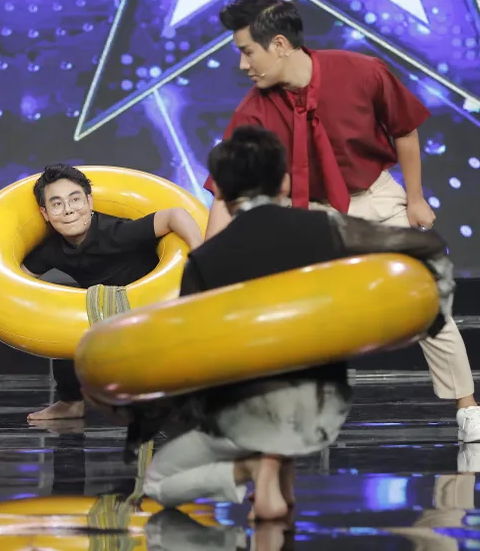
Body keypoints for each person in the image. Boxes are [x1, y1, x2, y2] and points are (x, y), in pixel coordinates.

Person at [85, 125, 459, 521]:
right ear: (284, 182)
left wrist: (142, 413)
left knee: (159, 481)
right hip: (321, 409)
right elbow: (425, 244)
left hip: (244, 418)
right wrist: (434, 311)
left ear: (221, 193)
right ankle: (277, 465)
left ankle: (252, 468)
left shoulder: (205, 261)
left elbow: (192, 357)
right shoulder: (323, 228)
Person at [204, 0, 480, 445]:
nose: (244, 65)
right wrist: (207, 262)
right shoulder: (253, 112)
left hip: (375, 195)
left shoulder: (362, 72)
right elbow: (226, 191)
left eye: (247, 52)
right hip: (309, 210)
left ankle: (468, 407)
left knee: (427, 299)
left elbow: (404, 130)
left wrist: (415, 198)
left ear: (279, 44)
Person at [0, 163, 203, 421]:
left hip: (154, 306)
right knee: (63, 316)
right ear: (45, 213)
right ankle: (70, 403)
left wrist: (199, 253)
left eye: (75, 199)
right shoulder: (53, 249)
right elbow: (9, 279)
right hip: (100, 314)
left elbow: (175, 215)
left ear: (90, 202)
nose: (69, 210)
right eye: (57, 204)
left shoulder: (115, 231)